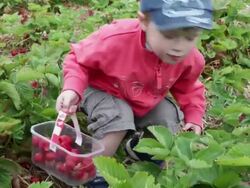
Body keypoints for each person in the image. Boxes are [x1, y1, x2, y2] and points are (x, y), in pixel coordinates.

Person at [56, 0, 213, 187]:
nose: (179, 46)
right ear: (144, 21)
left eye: (190, 37)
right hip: (100, 88)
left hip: (141, 97)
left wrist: (194, 116)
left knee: (167, 117)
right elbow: (78, 60)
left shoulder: (190, 59)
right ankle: (94, 171)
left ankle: (144, 150)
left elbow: (189, 88)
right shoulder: (116, 38)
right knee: (117, 117)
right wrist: (72, 88)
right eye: (169, 35)